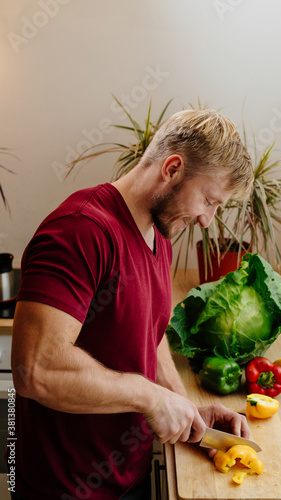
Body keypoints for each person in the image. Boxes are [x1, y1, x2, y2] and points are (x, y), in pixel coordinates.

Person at [10, 108, 253, 500]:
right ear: (172, 169)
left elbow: (147, 337)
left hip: (130, 477)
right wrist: (152, 399)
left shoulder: (159, 233)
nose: (208, 220)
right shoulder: (80, 231)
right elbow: (34, 369)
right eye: (209, 200)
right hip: (67, 488)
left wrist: (185, 409)